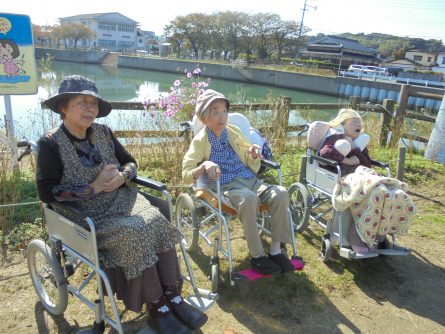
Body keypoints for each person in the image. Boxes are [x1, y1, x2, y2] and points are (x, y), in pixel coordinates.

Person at [36, 75, 207, 334]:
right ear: (63, 107)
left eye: (93, 102)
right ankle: (156, 306)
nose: (90, 108)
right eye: (82, 102)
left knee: (157, 222)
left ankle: (173, 296)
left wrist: (121, 178)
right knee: (134, 233)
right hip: (86, 214)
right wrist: (92, 187)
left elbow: (131, 163)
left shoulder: (104, 133)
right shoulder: (51, 144)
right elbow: (47, 191)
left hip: (122, 199)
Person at [182, 89, 295, 275]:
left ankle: (276, 250)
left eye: (224, 110)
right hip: (226, 187)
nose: (222, 116)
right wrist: (204, 166)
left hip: (250, 181)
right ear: (203, 118)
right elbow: (186, 174)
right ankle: (257, 257)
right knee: (249, 198)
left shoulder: (233, 131)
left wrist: (252, 154)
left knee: (281, 192)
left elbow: (253, 166)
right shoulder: (200, 141)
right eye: (215, 111)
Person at [318, 109, 416, 253]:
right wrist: (347, 160)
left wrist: (356, 149)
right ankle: (355, 237)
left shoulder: (360, 143)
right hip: (344, 177)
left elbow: (367, 162)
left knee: (392, 194)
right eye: (355, 121)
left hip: (363, 175)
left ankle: (379, 234)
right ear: (343, 123)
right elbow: (325, 152)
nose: (359, 124)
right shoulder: (334, 137)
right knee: (376, 193)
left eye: (360, 122)